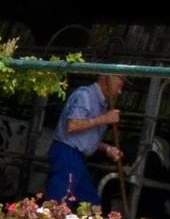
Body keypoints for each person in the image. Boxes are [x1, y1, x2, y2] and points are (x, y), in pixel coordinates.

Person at [46, 74, 126, 205]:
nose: (119, 92)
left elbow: (86, 137)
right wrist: (104, 119)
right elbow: (73, 125)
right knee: (61, 201)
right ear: (106, 82)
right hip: (67, 153)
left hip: (77, 157)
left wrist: (107, 148)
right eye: (118, 87)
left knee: (90, 204)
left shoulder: (102, 103)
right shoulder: (85, 95)